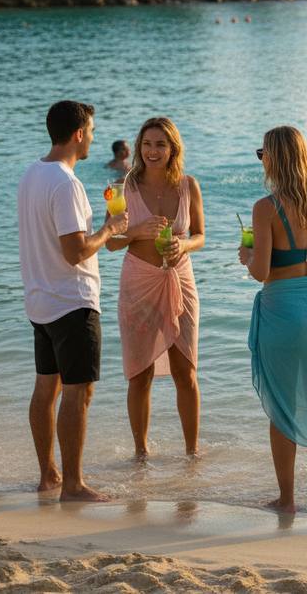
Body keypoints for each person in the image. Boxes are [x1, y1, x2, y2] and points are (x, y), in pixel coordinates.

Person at [18, 100, 128, 501]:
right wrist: (110, 227)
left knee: (47, 387)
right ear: (79, 133)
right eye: (92, 131)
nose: (94, 138)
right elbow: (76, 251)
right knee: (78, 391)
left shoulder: (33, 173)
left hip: (41, 299)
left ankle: (49, 475)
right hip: (71, 300)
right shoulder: (66, 184)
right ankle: (74, 484)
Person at [240, 126, 307, 513]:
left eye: (262, 153)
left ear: (276, 159)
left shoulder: (266, 208)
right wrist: (306, 256)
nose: (261, 159)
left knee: (282, 405)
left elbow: (261, 270)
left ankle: (287, 499)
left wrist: (246, 255)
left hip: (282, 310)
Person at [106, 117, 205, 458]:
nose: (152, 151)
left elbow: (200, 236)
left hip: (180, 280)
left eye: (160, 144)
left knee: (186, 370)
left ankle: (192, 453)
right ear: (138, 147)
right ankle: (141, 453)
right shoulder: (123, 188)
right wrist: (138, 231)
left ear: (173, 148)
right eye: (147, 144)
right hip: (139, 282)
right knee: (140, 372)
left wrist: (183, 246)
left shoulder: (189, 185)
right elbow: (110, 242)